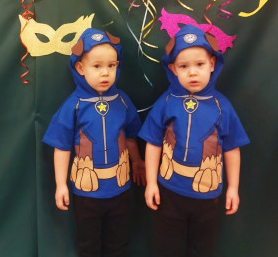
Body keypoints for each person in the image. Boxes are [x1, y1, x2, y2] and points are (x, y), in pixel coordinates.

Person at [138, 24, 249, 257]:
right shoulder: (166, 102)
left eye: (199, 64)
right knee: (167, 249)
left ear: (212, 64)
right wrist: (151, 183)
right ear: (173, 68)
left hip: (207, 196)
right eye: (184, 66)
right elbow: (153, 143)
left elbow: (232, 149)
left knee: (202, 249)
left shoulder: (222, 106)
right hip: (169, 192)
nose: (192, 72)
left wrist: (233, 188)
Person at [43, 28, 145, 257]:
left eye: (111, 65)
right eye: (97, 66)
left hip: (119, 188)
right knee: (88, 244)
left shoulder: (122, 100)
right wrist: (60, 184)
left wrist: (138, 162)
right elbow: (61, 147)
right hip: (87, 193)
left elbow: (130, 137)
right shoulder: (74, 105)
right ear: (80, 68)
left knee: (118, 242)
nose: (105, 72)